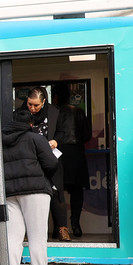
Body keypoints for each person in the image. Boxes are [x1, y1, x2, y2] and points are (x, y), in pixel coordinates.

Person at [0, 108, 60, 265]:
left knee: (12, 238)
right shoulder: (35, 139)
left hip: (8, 194)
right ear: (30, 124)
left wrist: (0, 186)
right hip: (36, 192)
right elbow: (51, 163)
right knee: (37, 236)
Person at [19, 87, 70, 241]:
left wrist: (56, 141)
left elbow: (62, 131)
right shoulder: (21, 113)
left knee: (56, 193)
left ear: (44, 102)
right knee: (30, 194)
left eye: (36, 105)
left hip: (51, 158)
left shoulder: (55, 112)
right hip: (29, 160)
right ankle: (27, 232)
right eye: (29, 104)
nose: (32, 108)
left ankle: (62, 229)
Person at [52, 84, 92, 237]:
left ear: (55, 97)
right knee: (77, 192)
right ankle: (76, 224)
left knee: (57, 191)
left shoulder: (54, 113)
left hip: (58, 154)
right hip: (76, 154)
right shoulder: (79, 112)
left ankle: (59, 228)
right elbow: (87, 135)